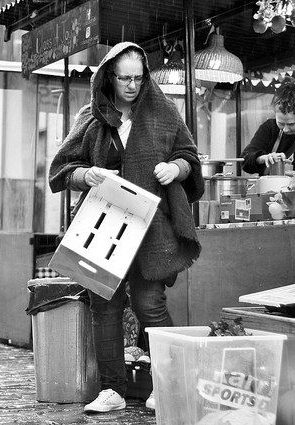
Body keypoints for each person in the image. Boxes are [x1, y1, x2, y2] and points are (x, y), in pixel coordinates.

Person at [49, 42, 203, 413]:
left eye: (138, 77)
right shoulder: (92, 115)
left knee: (151, 304)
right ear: (109, 77)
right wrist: (88, 174)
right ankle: (112, 391)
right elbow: (61, 169)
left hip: (152, 230)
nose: (132, 85)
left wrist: (175, 169)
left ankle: (163, 387)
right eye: (124, 78)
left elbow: (189, 157)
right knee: (106, 305)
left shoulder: (163, 111)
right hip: (104, 227)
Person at [242, 76, 295, 175]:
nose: (286, 129)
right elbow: (245, 160)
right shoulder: (269, 128)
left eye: (291, 124)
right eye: (281, 123)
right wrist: (264, 158)